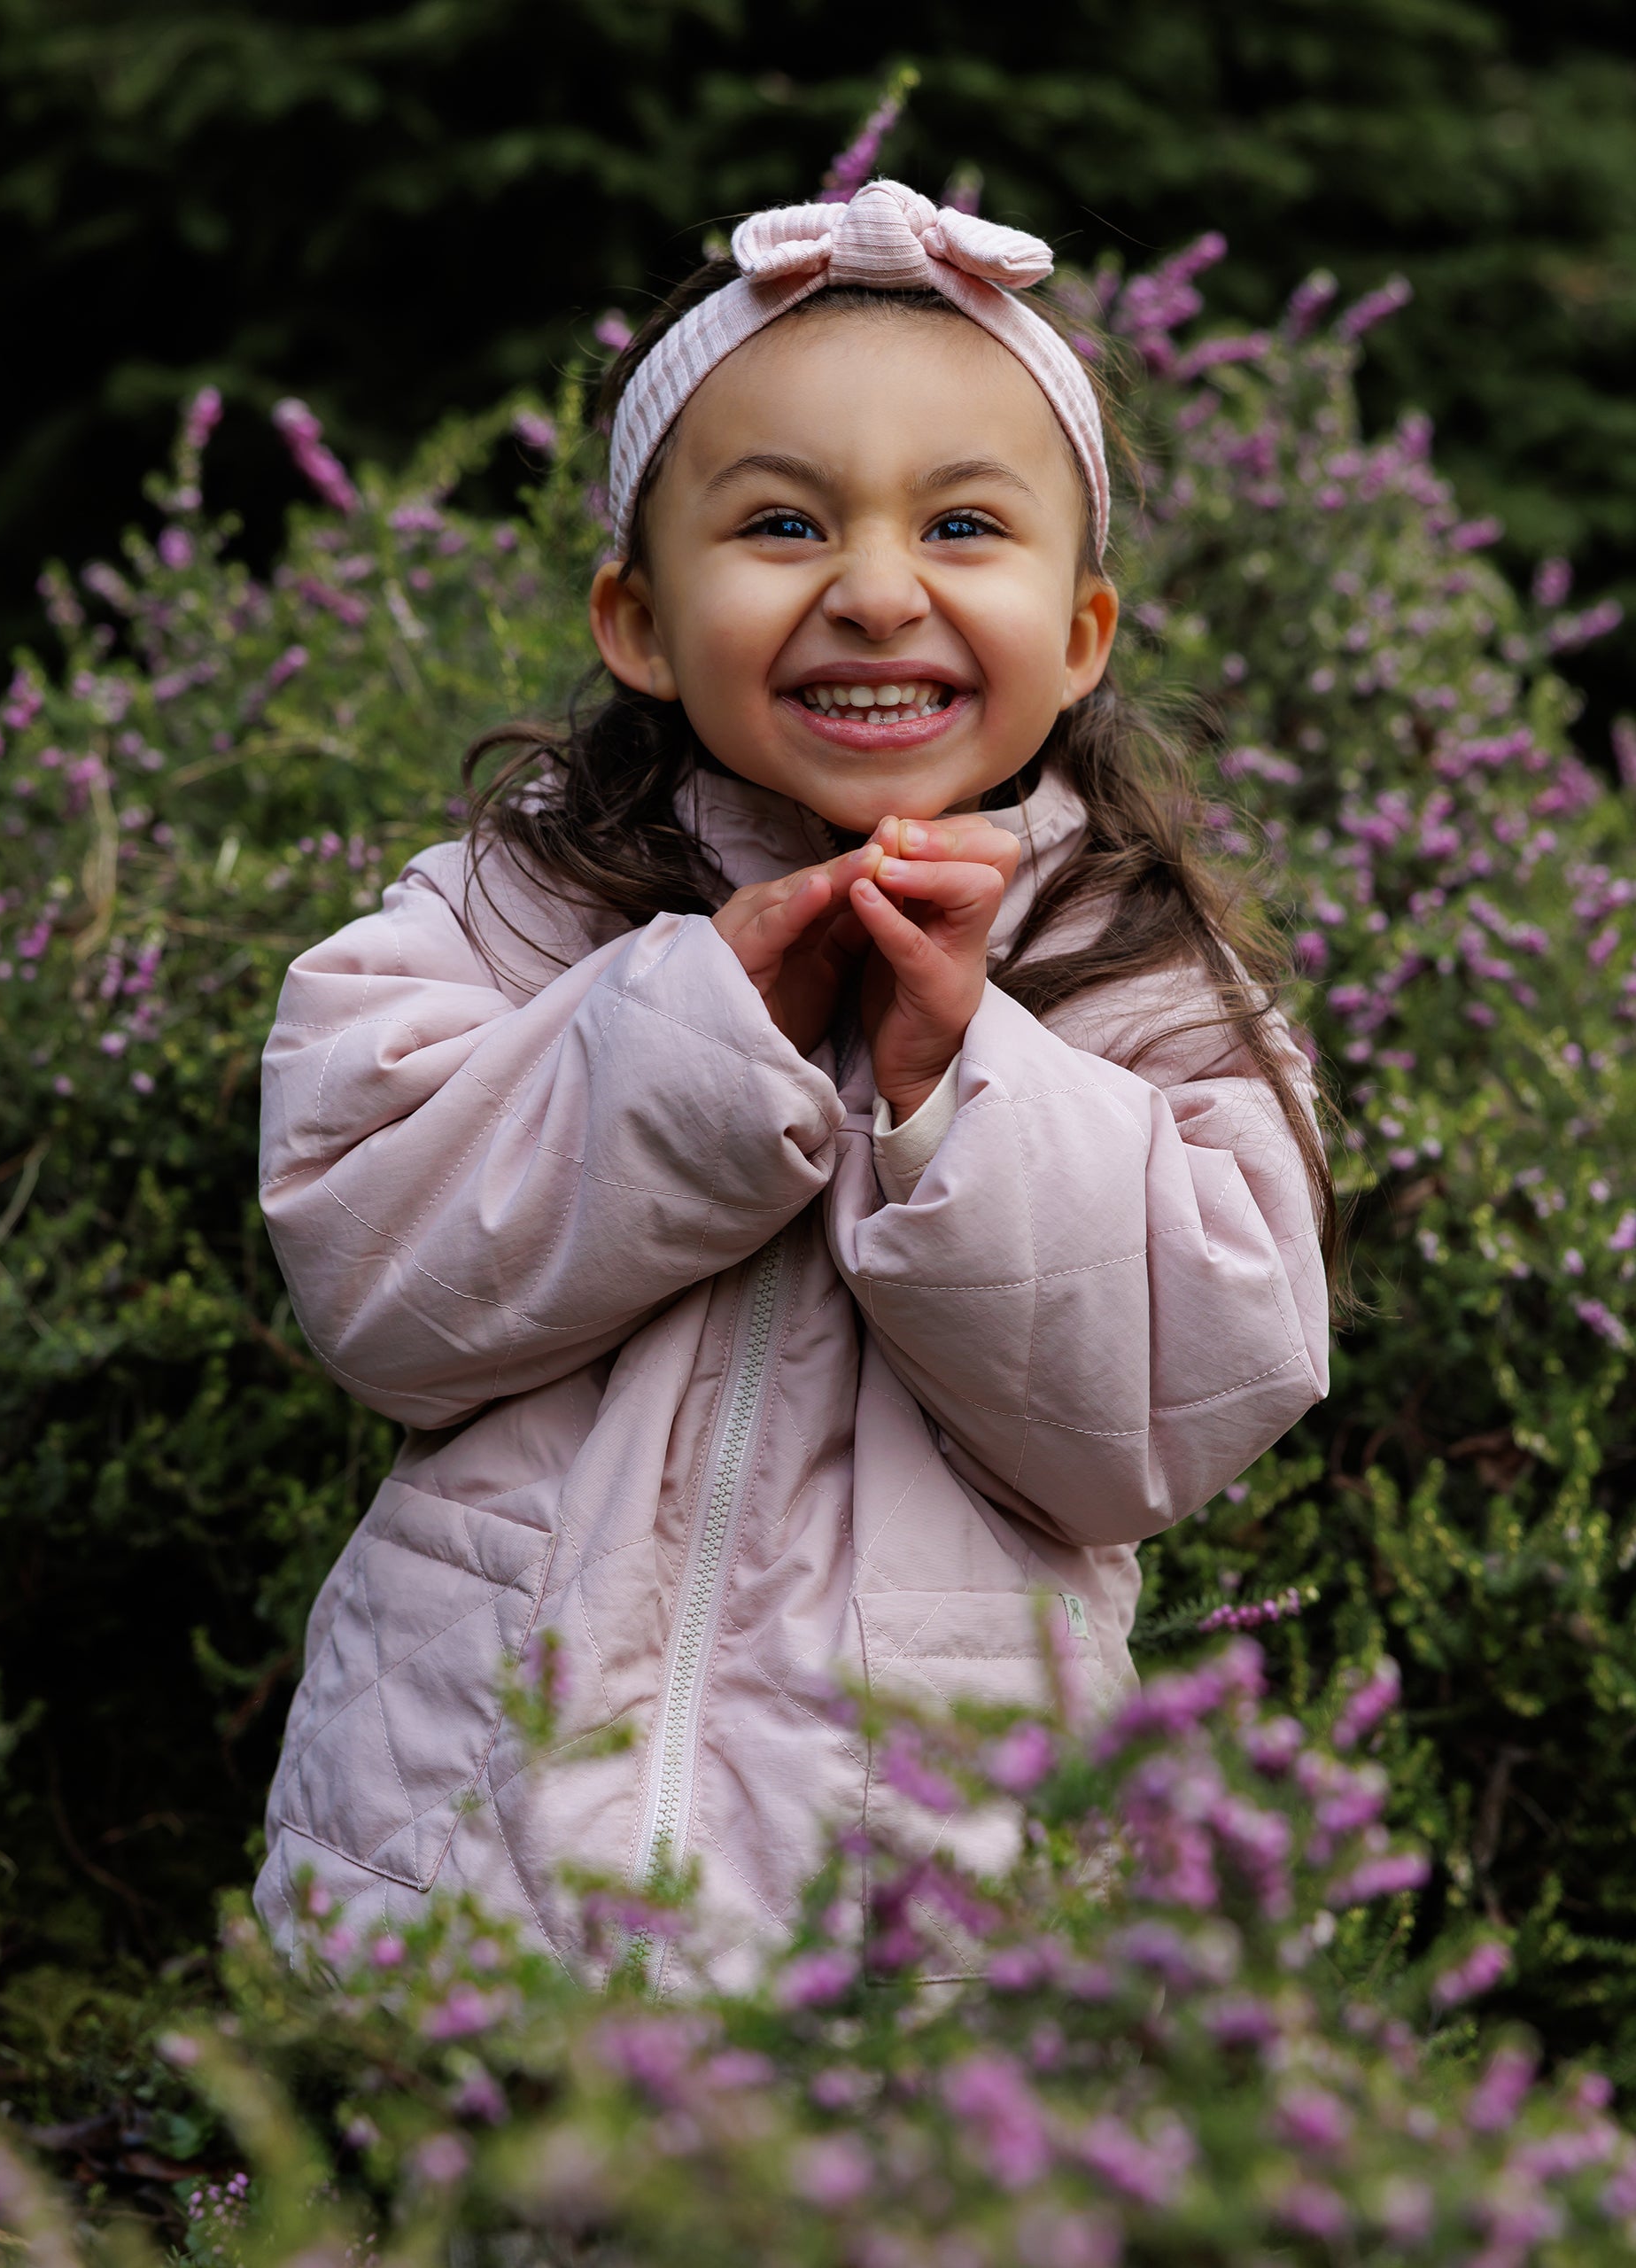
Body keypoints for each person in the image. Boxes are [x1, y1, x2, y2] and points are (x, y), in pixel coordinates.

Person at [253, 180, 1332, 1984]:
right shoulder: (520, 908)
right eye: (780, 522)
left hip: (910, 1916)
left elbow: (1166, 1409)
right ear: (640, 619)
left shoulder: (1140, 974)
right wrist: (693, 1042)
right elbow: (375, 1284)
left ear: (1081, 633)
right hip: (460, 1864)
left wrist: (956, 1084)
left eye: (964, 523)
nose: (877, 590)